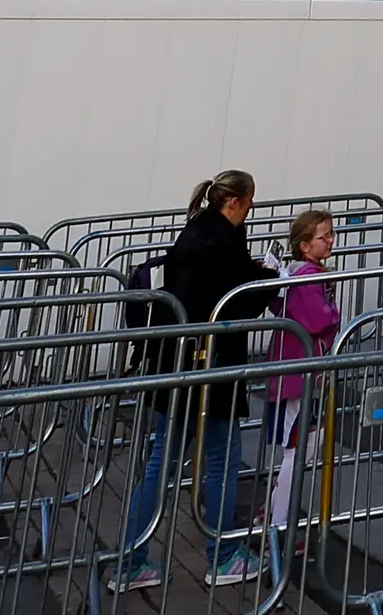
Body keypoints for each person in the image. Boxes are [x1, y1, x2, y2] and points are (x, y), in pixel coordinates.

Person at [115, 170, 274, 590]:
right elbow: (234, 300)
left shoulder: (197, 232)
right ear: (236, 202)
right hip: (211, 367)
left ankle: (130, 561)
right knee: (221, 460)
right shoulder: (223, 242)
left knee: (159, 464)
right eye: (251, 202)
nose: (252, 210)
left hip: (177, 363)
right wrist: (270, 279)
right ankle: (222, 557)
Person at [255, 210, 343, 545]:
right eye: (325, 236)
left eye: (331, 234)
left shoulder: (294, 274)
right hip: (298, 371)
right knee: (299, 445)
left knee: (305, 439)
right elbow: (318, 319)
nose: (331, 240)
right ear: (305, 246)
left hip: (294, 369)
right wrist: (334, 313)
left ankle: (276, 511)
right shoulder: (307, 276)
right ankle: (278, 525)